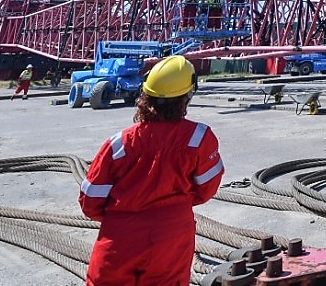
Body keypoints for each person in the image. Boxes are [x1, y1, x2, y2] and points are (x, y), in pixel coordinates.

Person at [78, 55, 224, 286]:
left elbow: (91, 201)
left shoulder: (119, 144)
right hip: (172, 234)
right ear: (187, 96)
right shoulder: (199, 138)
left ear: (145, 96)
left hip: (120, 236)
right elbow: (206, 189)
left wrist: (125, 216)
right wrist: (175, 204)